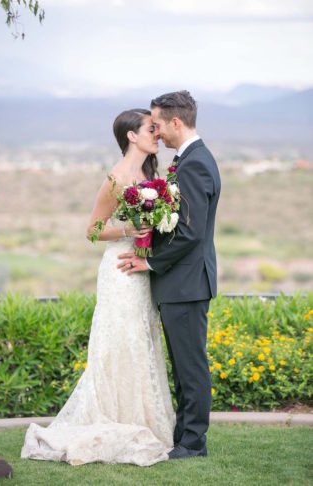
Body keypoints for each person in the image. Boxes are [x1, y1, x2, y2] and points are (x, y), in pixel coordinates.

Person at [21, 109, 174, 467]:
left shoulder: (153, 178)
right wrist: (127, 231)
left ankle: (146, 419)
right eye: (151, 130)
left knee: (141, 338)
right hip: (119, 271)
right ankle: (111, 416)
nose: (157, 135)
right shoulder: (115, 179)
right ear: (132, 137)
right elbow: (91, 230)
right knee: (119, 341)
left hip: (141, 271)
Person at [118, 91, 221, 460]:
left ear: (176, 122)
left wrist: (151, 262)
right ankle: (185, 438)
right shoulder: (189, 159)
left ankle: (194, 444)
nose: (156, 132)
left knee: (191, 367)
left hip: (186, 283)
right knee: (183, 365)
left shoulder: (193, 164)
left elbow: (190, 233)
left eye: (158, 124)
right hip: (183, 283)